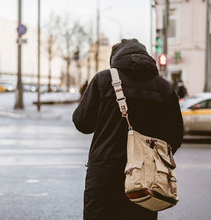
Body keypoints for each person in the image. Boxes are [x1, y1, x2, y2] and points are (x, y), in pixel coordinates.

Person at [72, 39, 183, 220]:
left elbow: (82, 123)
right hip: (146, 178)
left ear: (115, 59)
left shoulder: (104, 79)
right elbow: (175, 136)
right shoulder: (164, 88)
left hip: (104, 174)